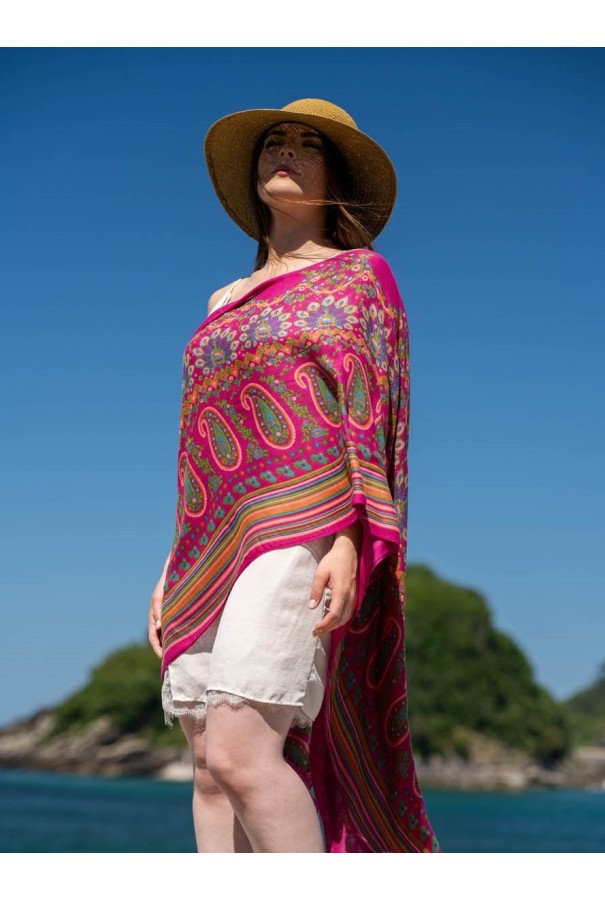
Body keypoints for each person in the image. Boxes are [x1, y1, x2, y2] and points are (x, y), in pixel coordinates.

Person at [148, 98, 441, 853]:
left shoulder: (360, 277)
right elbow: (201, 443)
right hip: (208, 546)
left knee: (242, 748)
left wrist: (350, 540)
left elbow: (372, 413)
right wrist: (171, 564)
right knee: (207, 765)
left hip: (305, 528)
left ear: (333, 177)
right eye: (273, 141)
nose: (285, 150)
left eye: (308, 144)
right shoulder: (222, 300)